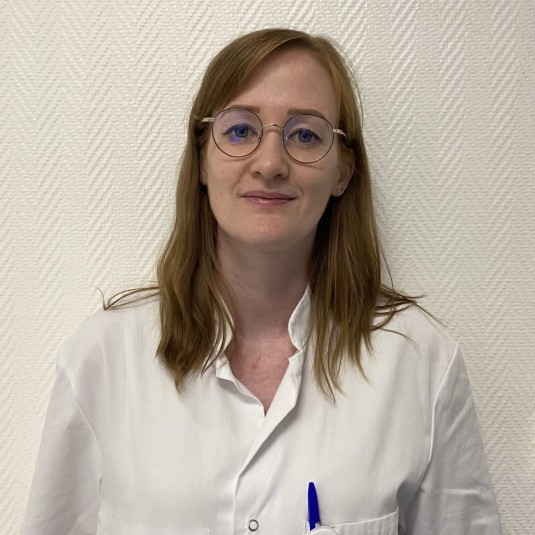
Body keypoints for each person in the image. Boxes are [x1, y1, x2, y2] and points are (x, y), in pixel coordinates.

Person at [22, 28, 502, 534]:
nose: (270, 163)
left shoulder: (419, 362)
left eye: (305, 135)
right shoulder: (103, 359)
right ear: (202, 159)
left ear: (342, 171)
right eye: (239, 131)